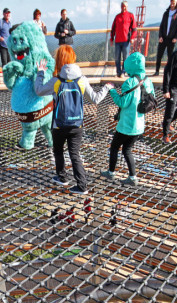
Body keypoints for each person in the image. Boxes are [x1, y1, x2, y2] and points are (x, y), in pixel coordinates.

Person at [34, 45, 114, 195]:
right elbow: (96, 99)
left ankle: (62, 177)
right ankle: (82, 185)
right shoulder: (82, 79)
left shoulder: (56, 81)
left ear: (59, 60)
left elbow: (39, 91)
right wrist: (106, 88)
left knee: (58, 150)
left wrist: (40, 73)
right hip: (77, 125)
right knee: (74, 154)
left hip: (59, 125)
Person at [101, 52, 154, 186]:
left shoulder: (130, 82)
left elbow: (122, 102)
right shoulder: (148, 81)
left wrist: (112, 90)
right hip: (139, 125)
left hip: (126, 125)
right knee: (127, 150)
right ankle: (132, 177)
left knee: (114, 147)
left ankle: (111, 172)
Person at [154, 0, 177, 77]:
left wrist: (176, 37)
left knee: (170, 56)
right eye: (171, 2)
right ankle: (157, 71)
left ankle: (169, 71)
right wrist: (160, 36)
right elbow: (161, 25)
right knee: (159, 55)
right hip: (163, 37)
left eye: (174, 3)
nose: (172, 4)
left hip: (171, 38)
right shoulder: (166, 13)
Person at [110, 1, 137, 78]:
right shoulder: (117, 16)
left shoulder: (130, 15)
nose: (124, 8)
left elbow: (134, 29)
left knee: (126, 58)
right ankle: (118, 72)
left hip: (126, 41)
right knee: (117, 58)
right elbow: (113, 29)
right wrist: (111, 38)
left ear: (127, 7)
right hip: (117, 41)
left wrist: (132, 38)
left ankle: (123, 72)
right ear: (121, 7)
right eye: (122, 6)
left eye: (125, 6)